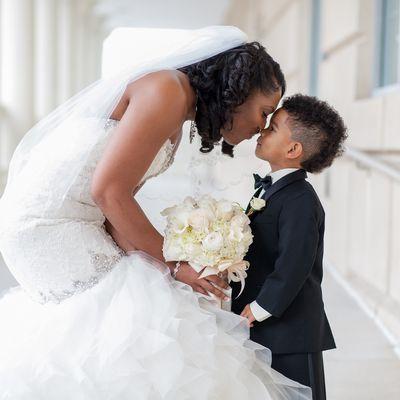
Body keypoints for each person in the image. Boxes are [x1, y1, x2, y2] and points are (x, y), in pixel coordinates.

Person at [0, 27, 312, 399]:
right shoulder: (166, 91)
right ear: (238, 91)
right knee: (139, 320)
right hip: (47, 227)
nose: (261, 126)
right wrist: (174, 263)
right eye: (263, 112)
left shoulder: (178, 106)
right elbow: (109, 192)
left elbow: (115, 201)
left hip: (80, 220)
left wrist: (167, 262)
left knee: (153, 307)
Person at [232, 94, 348, 400]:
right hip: (267, 326)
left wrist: (258, 308)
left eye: (272, 128)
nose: (262, 131)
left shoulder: (300, 200)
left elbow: (294, 265)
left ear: (293, 149)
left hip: (291, 329)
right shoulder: (272, 189)